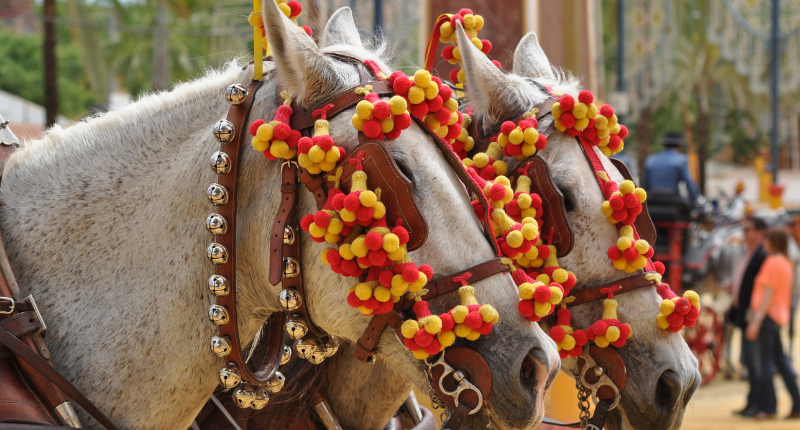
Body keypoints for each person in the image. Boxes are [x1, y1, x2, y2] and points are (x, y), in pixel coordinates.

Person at [745, 227, 800, 419]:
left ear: (773, 242)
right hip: (778, 315)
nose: (764, 243)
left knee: (765, 364)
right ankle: (797, 403)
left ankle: (769, 407)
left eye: (767, 240)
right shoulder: (786, 262)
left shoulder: (772, 262)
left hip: (767, 316)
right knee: (781, 362)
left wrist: (756, 321)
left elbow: (767, 293)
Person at [731, 217, 768, 416]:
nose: (745, 233)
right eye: (743, 229)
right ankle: (752, 402)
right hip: (745, 314)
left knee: (755, 362)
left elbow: (761, 291)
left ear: (761, 231)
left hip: (754, 316)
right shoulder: (751, 252)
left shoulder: (762, 255)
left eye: (748, 229)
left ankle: (758, 404)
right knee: (749, 360)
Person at [643, 131, 699, 204]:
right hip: (673, 200)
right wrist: (694, 199)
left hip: (653, 200)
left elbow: (646, 183)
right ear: (679, 146)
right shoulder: (681, 160)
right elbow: (688, 182)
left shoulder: (651, 159)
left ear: (664, 145)